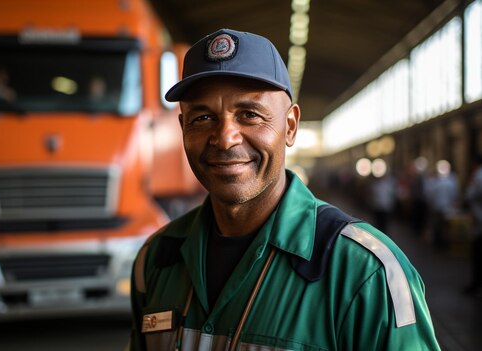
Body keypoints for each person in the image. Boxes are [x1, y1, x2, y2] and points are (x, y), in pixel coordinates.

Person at [129, 28, 439, 350]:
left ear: (290, 127)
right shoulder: (156, 260)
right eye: (203, 118)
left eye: (249, 115)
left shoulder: (366, 273)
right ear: (182, 128)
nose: (224, 138)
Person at [464, 154, 482, 296]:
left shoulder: (477, 177)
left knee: (477, 254)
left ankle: (476, 285)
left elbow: (469, 195)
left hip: (479, 221)